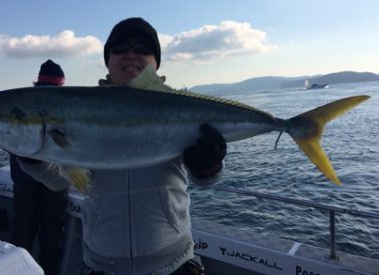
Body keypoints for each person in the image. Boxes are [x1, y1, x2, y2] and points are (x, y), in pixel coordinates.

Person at [19, 18, 226, 275]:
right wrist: (31, 157)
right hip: (102, 266)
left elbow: (205, 181)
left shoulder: (179, 106)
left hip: (175, 263)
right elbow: (61, 180)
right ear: (108, 60)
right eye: (119, 47)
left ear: (156, 61)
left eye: (142, 47)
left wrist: (210, 166)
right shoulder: (80, 112)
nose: (131, 53)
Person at [9, 59, 70, 275]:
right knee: (52, 228)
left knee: (24, 226)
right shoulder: (62, 104)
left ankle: (16, 270)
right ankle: (49, 271)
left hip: (23, 178)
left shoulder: (22, 105)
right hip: (54, 178)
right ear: (61, 85)